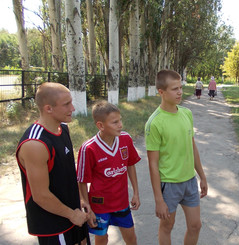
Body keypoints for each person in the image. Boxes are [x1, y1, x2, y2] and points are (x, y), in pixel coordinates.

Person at [16, 82, 89, 245]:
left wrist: (81, 201)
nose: (73, 108)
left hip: (74, 214)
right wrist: (72, 214)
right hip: (54, 225)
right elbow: (41, 196)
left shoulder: (63, 128)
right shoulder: (35, 144)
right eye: (66, 104)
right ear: (48, 108)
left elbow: (68, 172)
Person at [145, 69, 208, 245]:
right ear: (161, 92)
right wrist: (158, 199)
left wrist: (202, 176)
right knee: (167, 226)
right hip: (169, 185)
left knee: (195, 225)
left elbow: (192, 147)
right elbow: (153, 163)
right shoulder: (155, 122)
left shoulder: (186, 113)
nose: (179, 92)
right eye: (174, 89)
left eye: (180, 87)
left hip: (189, 181)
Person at [77, 101, 141, 245]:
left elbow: (130, 164)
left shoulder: (125, 139)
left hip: (122, 203)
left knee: (131, 238)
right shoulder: (88, 148)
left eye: (120, 120)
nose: (120, 125)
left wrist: (136, 193)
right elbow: (81, 181)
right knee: (102, 239)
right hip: (99, 206)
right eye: (115, 122)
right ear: (100, 125)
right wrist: (88, 208)